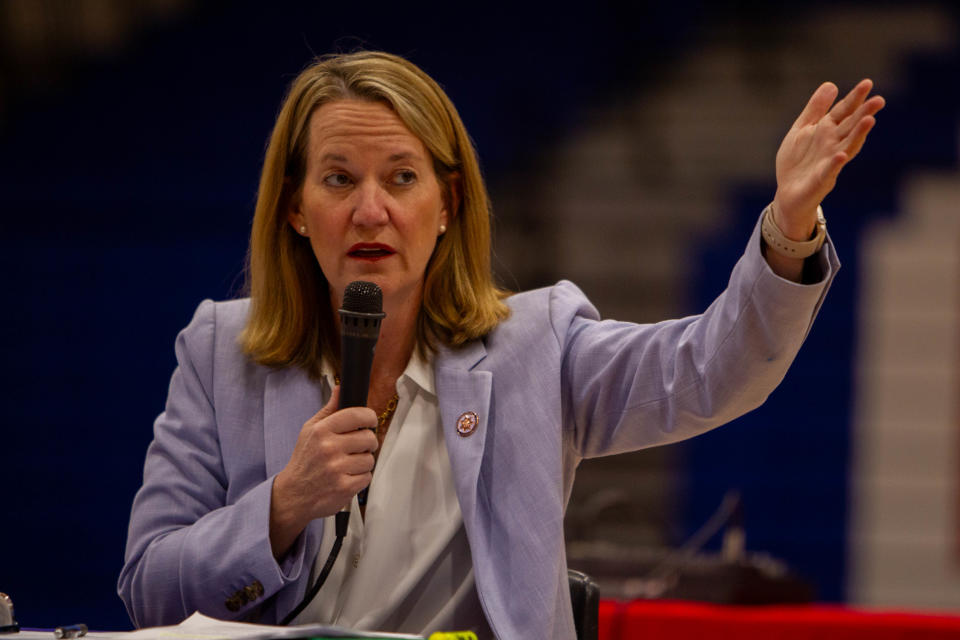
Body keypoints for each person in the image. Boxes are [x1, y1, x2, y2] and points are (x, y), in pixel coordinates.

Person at [117, 50, 884, 639]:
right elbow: (149, 588)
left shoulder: (535, 348)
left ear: (447, 203)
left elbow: (712, 371)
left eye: (403, 176)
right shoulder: (222, 352)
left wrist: (787, 230)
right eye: (339, 179)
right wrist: (283, 507)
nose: (371, 210)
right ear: (293, 207)